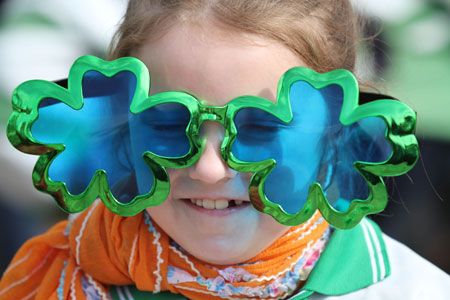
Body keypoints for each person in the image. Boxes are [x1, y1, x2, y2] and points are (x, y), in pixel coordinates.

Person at [0, 0, 449, 299]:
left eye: (263, 127)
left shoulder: (409, 291)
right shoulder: (58, 276)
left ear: (336, 134)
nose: (210, 169)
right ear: (119, 121)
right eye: (168, 120)